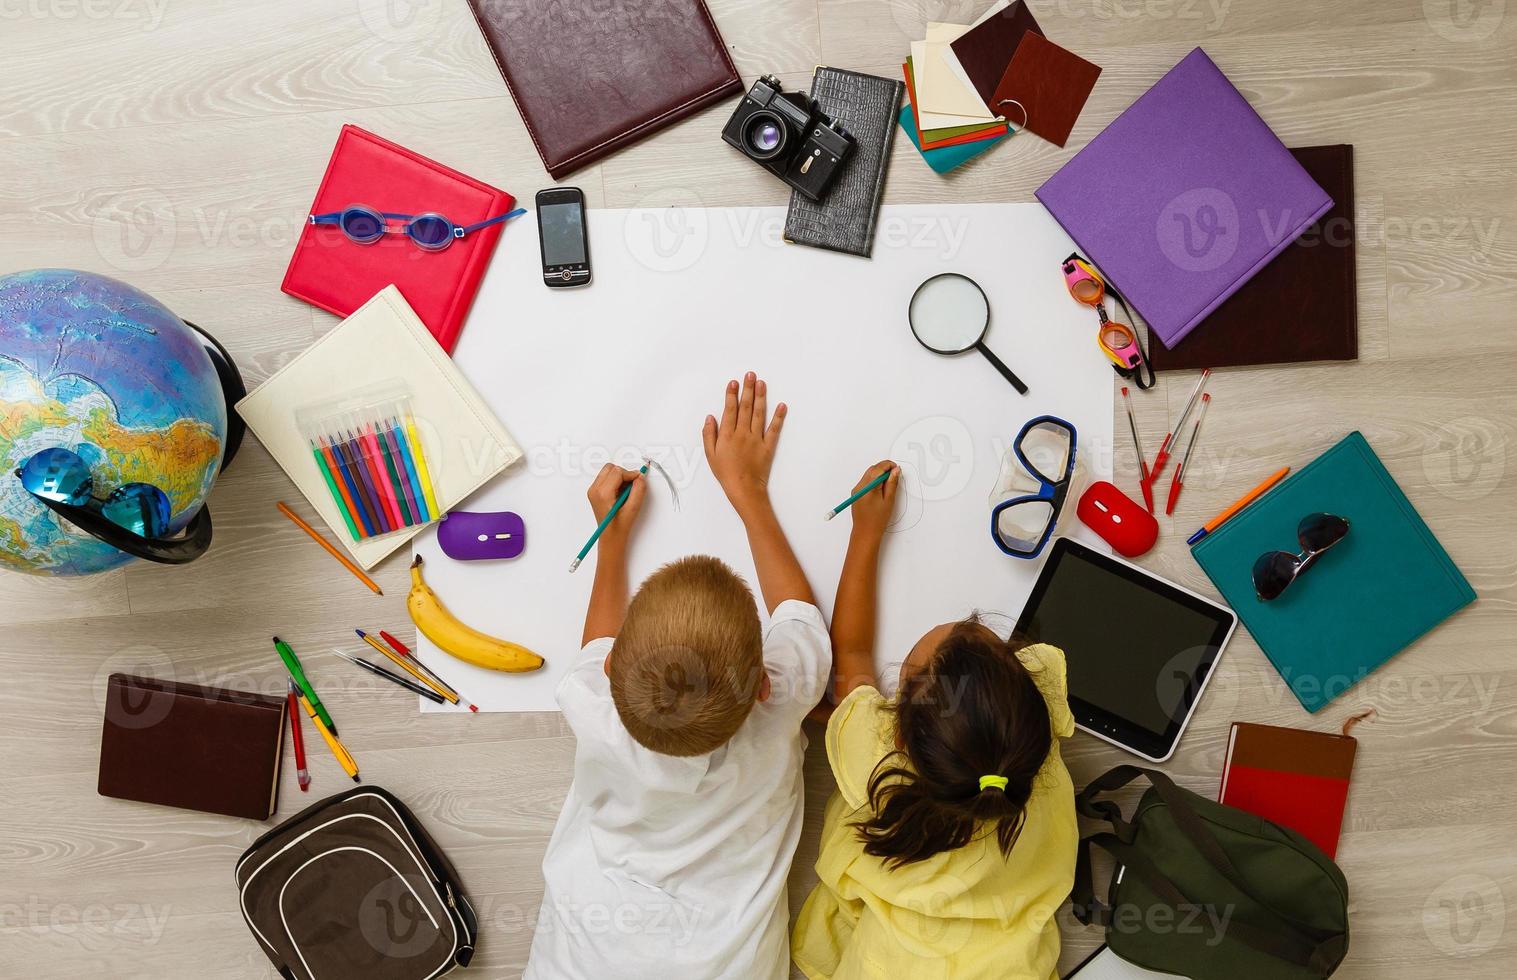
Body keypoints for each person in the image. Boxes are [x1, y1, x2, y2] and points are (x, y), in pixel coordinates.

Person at [525, 373, 831, 980]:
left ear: (610, 669)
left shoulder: (592, 709)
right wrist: (747, 491)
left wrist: (611, 545)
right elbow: (798, 615)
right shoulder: (782, 702)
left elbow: (597, 643)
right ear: (765, 684)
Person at [791, 461, 1079, 980]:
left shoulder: (874, 759)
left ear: (896, 734)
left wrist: (865, 532)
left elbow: (851, 655)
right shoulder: (1038, 723)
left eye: (906, 677)